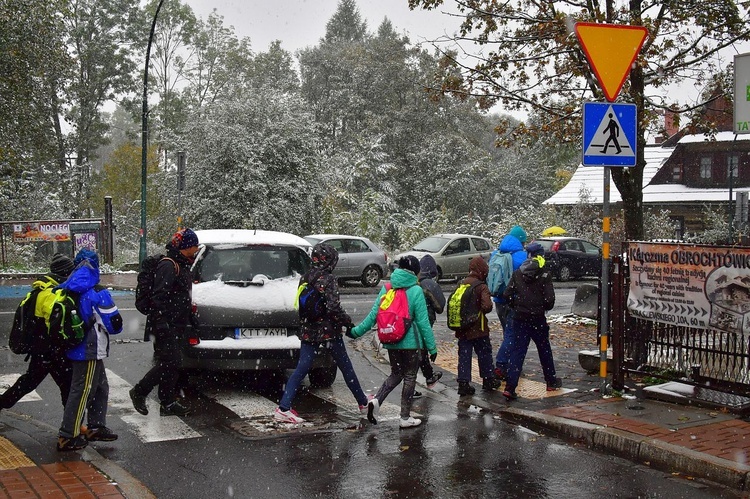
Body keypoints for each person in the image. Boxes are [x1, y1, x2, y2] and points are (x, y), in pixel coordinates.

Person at [274, 243, 369, 423]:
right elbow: (333, 308)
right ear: (329, 260)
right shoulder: (329, 279)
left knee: (301, 368)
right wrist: (347, 322)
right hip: (329, 331)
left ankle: (283, 407)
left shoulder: (305, 277)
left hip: (308, 330)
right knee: (345, 366)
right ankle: (363, 403)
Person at [349, 255, 437, 428]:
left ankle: (376, 400)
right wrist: (432, 347)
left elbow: (373, 316)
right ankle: (404, 417)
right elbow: (423, 322)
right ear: (415, 272)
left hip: (390, 339)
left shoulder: (387, 287)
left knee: (396, 373)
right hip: (411, 343)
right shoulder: (416, 290)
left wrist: (354, 332)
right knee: (410, 376)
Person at [56, 249, 123, 451]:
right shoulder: (96, 290)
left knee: (100, 387)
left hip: (76, 345)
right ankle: (68, 435)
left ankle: (96, 426)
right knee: (82, 391)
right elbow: (114, 324)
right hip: (89, 349)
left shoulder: (69, 286)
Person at [130, 228, 200, 417]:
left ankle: (167, 403)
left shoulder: (182, 263)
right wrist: (162, 324)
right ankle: (139, 391)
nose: (196, 249)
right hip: (164, 325)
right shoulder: (169, 266)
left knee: (172, 363)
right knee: (170, 362)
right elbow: (159, 297)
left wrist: (190, 320)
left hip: (175, 324)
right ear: (186, 246)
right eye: (194, 245)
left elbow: (182, 297)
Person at [0, 254, 74, 411]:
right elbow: (54, 324)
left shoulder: (42, 288)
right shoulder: (51, 293)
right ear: (65, 273)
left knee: (29, 382)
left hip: (41, 348)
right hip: (51, 349)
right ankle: (70, 427)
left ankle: (71, 425)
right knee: (68, 385)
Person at [501, 243, 562, 400]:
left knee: (517, 352)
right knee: (544, 350)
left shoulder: (518, 273)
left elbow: (507, 294)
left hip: (519, 318)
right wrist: (540, 306)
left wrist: (516, 305)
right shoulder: (544, 274)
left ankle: (510, 386)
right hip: (537, 319)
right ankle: (550, 380)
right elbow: (550, 300)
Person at [454, 256, 502, 396]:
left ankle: (463, 383)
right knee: (484, 353)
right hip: (478, 328)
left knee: (464, 355)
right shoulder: (481, 286)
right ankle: (488, 379)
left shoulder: (461, 283)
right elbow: (486, 306)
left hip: (463, 327)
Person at [491, 225, 528, 381]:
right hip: (513, 301)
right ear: (521, 241)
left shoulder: (496, 253)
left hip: (498, 300)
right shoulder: (522, 257)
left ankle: (509, 364)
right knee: (513, 335)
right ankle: (502, 365)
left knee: (508, 332)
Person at [413, 254, 445, 398]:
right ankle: (418, 382)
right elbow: (440, 306)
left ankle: (429, 376)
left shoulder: (412, 281)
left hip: (409, 322)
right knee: (419, 350)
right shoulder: (430, 284)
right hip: (425, 320)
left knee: (418, 350)